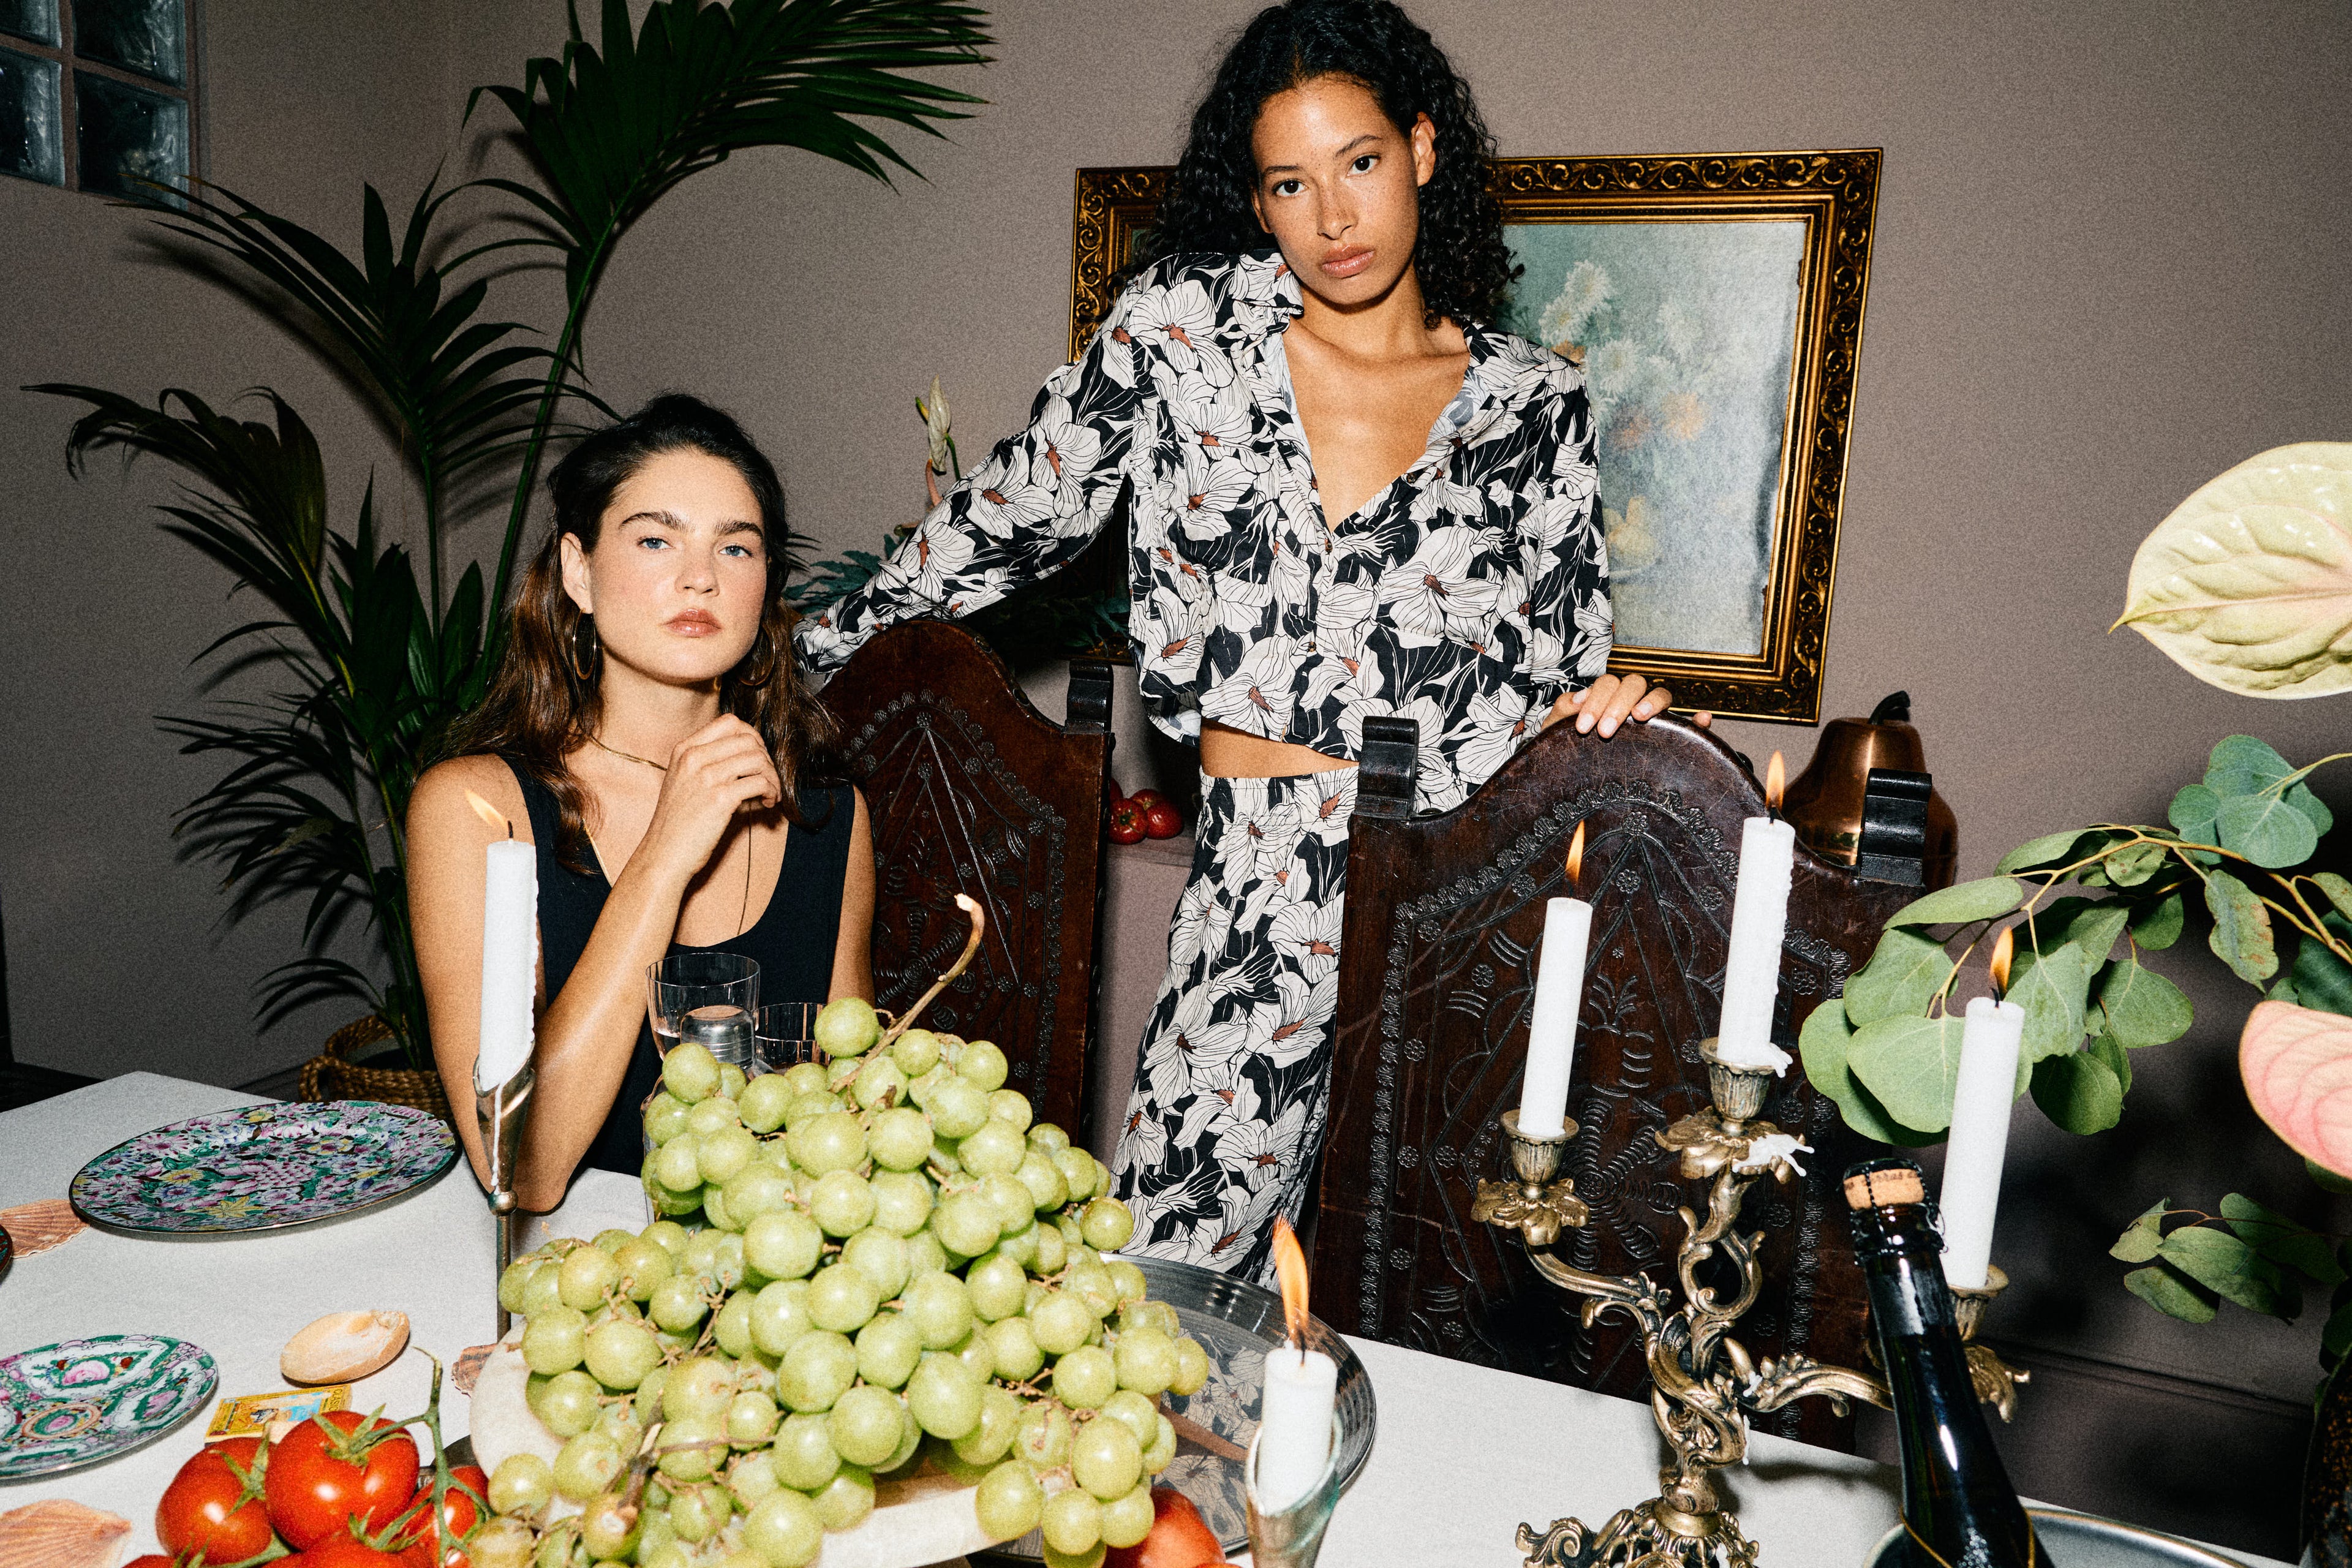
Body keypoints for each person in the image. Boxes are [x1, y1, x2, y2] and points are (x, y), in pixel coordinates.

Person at [797, 0, 1703, 1283]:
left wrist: (1612, 715)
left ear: (1425, 152)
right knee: (1162, 1283)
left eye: (1362, 163)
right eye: (1292, 182)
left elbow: (1558, 678)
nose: (1334, 217)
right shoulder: (1184, 333)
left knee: (1457, 1295)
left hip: (1458, 905)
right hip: (1260, 895)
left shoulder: (1531, 401)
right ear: (1259, 200)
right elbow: (1016, 511)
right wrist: (807, 652)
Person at [410, 395, 875, 1210]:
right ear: (578, 570)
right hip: (570, 1284)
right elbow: (521, 1170)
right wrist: (666, 853)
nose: (700, 576)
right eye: (656, 539)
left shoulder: (828, 817)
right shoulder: (475, 809)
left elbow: (852, 1136)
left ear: (765, 587)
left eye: (736, 548)